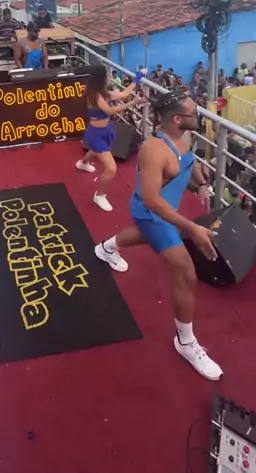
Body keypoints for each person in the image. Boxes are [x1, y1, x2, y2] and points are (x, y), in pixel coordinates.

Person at [95, 91, 222, 380]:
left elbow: (187, 164)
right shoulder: (153, 149)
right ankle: (186, 343)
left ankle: (107, 248)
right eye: (193, 111)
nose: (197, 114)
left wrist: (200, 183)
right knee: (186, 273)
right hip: (152, 213)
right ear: (177, 119)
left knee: (145, 237)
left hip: (166, 210)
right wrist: (191, 227)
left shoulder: (184, 137)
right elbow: (152, 200)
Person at [76, 64, 143, 211]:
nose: (108, 77)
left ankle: (83, 163)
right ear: (101, 78)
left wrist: (137, 79)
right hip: (96, 134)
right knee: (111, 169)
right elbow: (109, 110)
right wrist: (131, 103)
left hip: (105, 130)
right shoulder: (95, 95)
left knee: (96, 151)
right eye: (106, 75)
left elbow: (123, 94)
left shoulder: (102, 93)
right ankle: (99, 195)